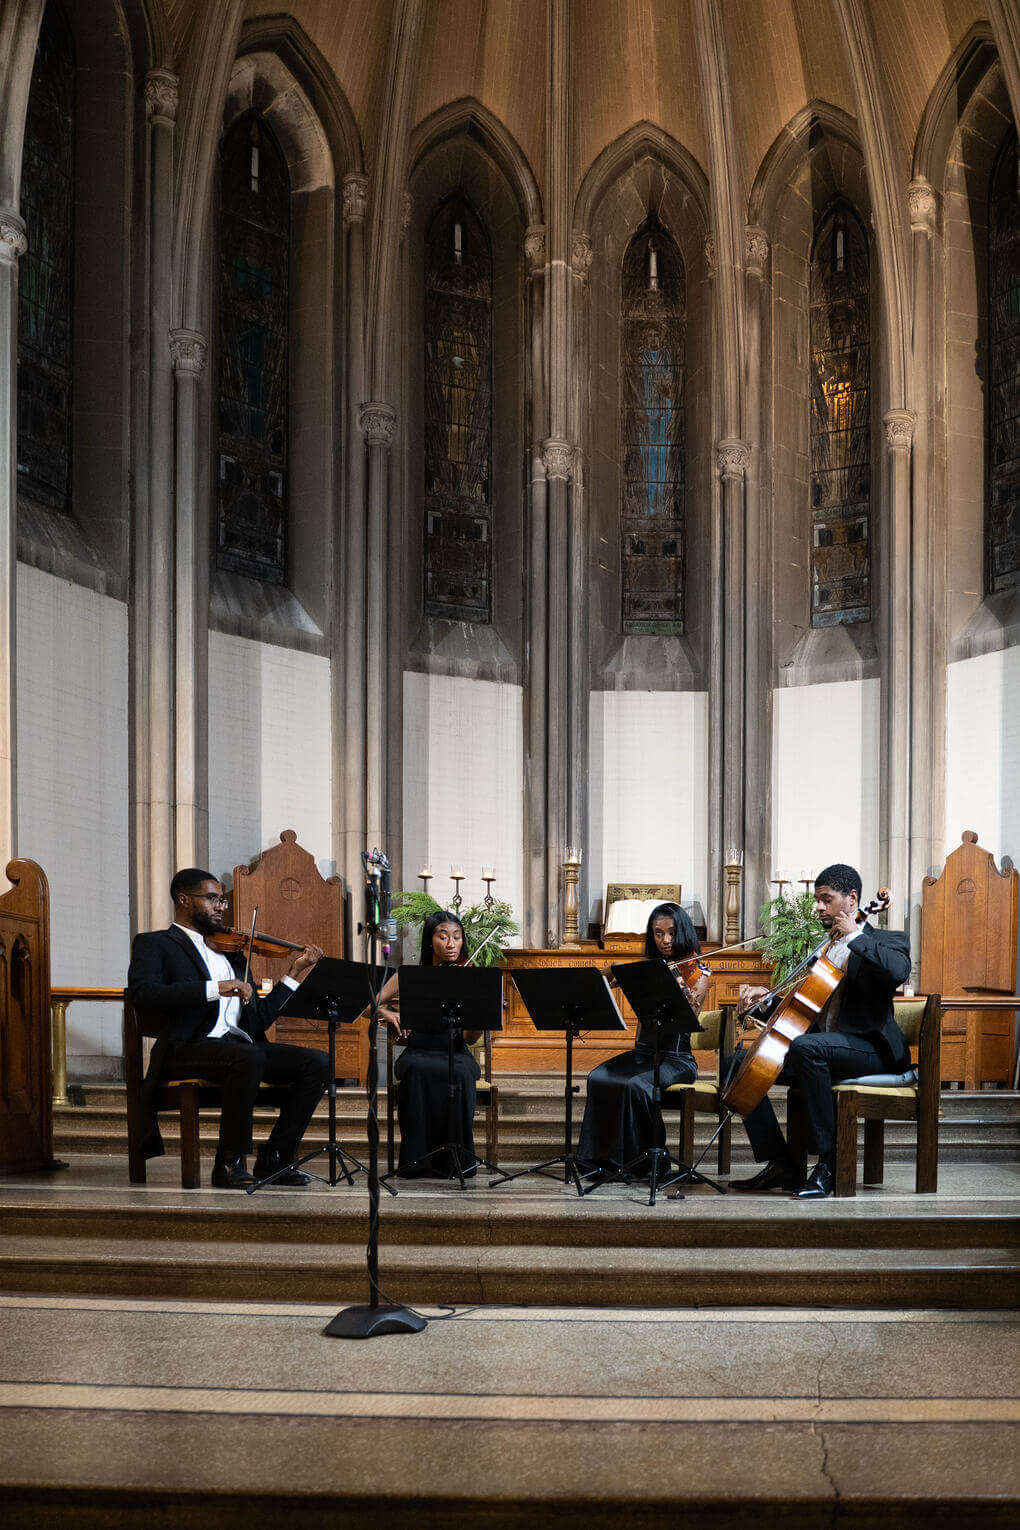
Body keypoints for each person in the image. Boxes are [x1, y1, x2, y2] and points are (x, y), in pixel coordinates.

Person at [128, 868, 329, 1189]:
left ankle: (275, 1158)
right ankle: (229, 1164)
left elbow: (257, 1021)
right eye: (211, 899)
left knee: (317, 1063)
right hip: (186, 1047)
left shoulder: (231, 953)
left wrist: (295, 972)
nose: (221, 906)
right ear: (183, 899)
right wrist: (214, 988)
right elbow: (143, 995)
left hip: (237, 1049)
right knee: (247, 1057)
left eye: (222, 900)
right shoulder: (155, 944)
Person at [727, 862, 911, 1200]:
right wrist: (763, 1002)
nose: (819, 907)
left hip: (871, 1050)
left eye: (826, 899)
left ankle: (829, 1163)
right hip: (822, 1049)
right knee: (735, 1063)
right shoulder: (825, 949)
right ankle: (782, 1162)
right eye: (818, 900)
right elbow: (806, 1008)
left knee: (808, 1048)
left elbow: (898, 970)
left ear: (851, 899)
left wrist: (855, 935)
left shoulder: (886, 940)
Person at [576, 903, 709, 1179]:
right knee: (598, 1076)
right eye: (658, 934)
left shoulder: (699, 971)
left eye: (671, 933)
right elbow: (599, 982)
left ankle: (653, 1160)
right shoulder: (649, 968)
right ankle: (601, 1161)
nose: (666, 940)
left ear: (682, 931)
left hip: (677, 1058)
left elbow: (690, 1015)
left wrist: (678, 987)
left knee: (638, 1085)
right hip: (643, 1054)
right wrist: (615, 967)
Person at [377, 910, 482, 1177]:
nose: (451, 944)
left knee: (460, 1072)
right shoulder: (410, 975)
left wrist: (478, 1015)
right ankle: (417, 1161)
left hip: (456, 1052)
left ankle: (457, 1160)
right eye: (443, 936)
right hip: (418, 1051)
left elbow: (469, 1039)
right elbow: (370, 1002)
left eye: (457, 937)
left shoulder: (470, 976)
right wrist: (389, 1013)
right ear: (429, 940)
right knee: (418, 1071)